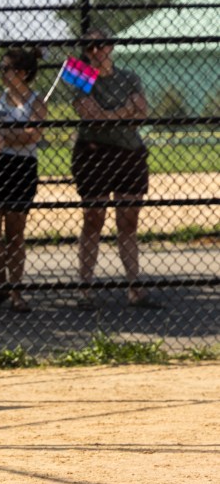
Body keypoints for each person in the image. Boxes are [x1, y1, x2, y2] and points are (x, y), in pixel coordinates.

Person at [71, 30, 157, 308]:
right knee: (93, 218)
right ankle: (85, 288)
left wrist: (109, 115)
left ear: (111, 47)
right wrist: (123, 112)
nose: (96, 51)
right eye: (89, 47)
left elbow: (142, 113)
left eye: (101, 45)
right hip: (93, 153)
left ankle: (135, 287)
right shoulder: (80, 74)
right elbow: (89, 115)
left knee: (128, 222)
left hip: (129, 153)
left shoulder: (129, 77)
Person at [0, 46, 46, 313]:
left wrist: (4, 133)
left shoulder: (37, 101)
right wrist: (15, 133)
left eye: (6, 68)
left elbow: (33, 135)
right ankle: (1, 285)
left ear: (21, 72)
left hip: (22, 168)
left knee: (15, 234)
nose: (2, 73)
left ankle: (16, 291)